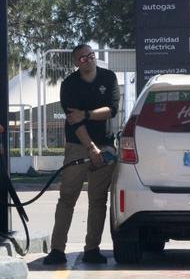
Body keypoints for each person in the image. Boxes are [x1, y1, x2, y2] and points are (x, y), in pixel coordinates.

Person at [43, 43, 119, 266]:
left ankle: (92, 249)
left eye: (91, 56)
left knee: (98, 200)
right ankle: (57, 249)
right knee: (67, 198)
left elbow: (111, 110)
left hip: (105, 147)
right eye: (83, 58)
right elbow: (74, 121)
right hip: (78, 145)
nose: (88, 60)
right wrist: (90, 148)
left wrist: (86, 114)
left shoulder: (109, 78)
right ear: (76, 63)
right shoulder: (69, 84)